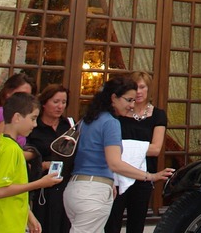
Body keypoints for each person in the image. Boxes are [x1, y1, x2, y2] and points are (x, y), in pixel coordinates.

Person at [63, 78, 174, 233]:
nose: (132, 105)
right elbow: (115, 164)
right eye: (129, 100)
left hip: (75, 188)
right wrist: (151, 176)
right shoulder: (110, 122)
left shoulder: (87, 119)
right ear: (113, 98)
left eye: (134, 100)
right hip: (93, 191)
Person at [0, 92, 62, 233]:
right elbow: (1, 191)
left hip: (6, 223)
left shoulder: (3, 144)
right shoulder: (10, 149)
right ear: (17, 117)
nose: (35, 124)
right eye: (32, 119)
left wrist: (29, 217)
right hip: (5, 225)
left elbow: (12, 189)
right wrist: (40, 183)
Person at [106, 72, 167, 233]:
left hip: (143, 176)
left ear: (149, 89)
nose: (138, 92)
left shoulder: (157, 115)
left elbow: (155, 149)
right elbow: (109, 146)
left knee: (137, 223)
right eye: (135, 87)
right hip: (117, 175)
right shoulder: (118, 114)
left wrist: (121, 147)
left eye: (142, 87)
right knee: (112, 222)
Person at [27, 85, 73, 233]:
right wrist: (42, 165)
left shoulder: (69, 125)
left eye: (64, 102)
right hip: (42, 186)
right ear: (45, 103)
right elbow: (23, 159)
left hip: (66, 183)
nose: (60, 106)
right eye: (56, 102)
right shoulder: (33, 127)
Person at [0, 73, 34, 152]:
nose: (24, 99)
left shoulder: (15, 115)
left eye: (27, 96)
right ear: (8, 93)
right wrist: (34, 154)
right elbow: (8, 149)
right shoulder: (1, 113)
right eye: (20, 95)